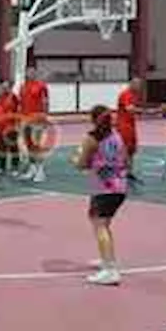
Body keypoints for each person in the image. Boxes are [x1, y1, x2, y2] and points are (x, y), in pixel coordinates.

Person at [71, 105, 129, 286]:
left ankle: (110, 271)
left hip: (104, 188)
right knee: (104, 224)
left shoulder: (91, 139)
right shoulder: (116, 136)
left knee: (100, 226)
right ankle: (107, 259)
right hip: (120, 186)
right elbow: (125, 159)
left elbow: (81, 164)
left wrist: (75, 158)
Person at [18, 66, 50, 182]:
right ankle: (32, 168)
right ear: (26, 73)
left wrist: (45, 117)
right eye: (28, 71)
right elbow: (21, 105)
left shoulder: (41, 86)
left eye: (32, 71)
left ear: (35, 73)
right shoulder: (23, 87)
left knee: (37, 145)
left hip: (37, 119)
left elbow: (46, 102)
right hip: (25, 119)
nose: (30, 73)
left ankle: (40, 171)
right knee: (28, 145)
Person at [114, 77, 146, 184]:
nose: (139, 87)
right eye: (138, 85)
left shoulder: (133, 95)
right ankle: (120, 172)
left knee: (131, 149)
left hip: (130, 125)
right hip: (124, 126)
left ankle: (129, 172)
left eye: (140, 85)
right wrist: (147, 111)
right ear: (132, 84)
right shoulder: (126, 94)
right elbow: (130, 109)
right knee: (125, 149)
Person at [0, 80, 22, 178]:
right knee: (1, 148)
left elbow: (18, 111)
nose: (2, 89)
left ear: (9, 87)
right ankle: (2, 167)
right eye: (1, 87)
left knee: (13, 148)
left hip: (9, 128)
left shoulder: (13, 98)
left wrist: (17, 125)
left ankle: (15, 167)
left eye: (5, 87)